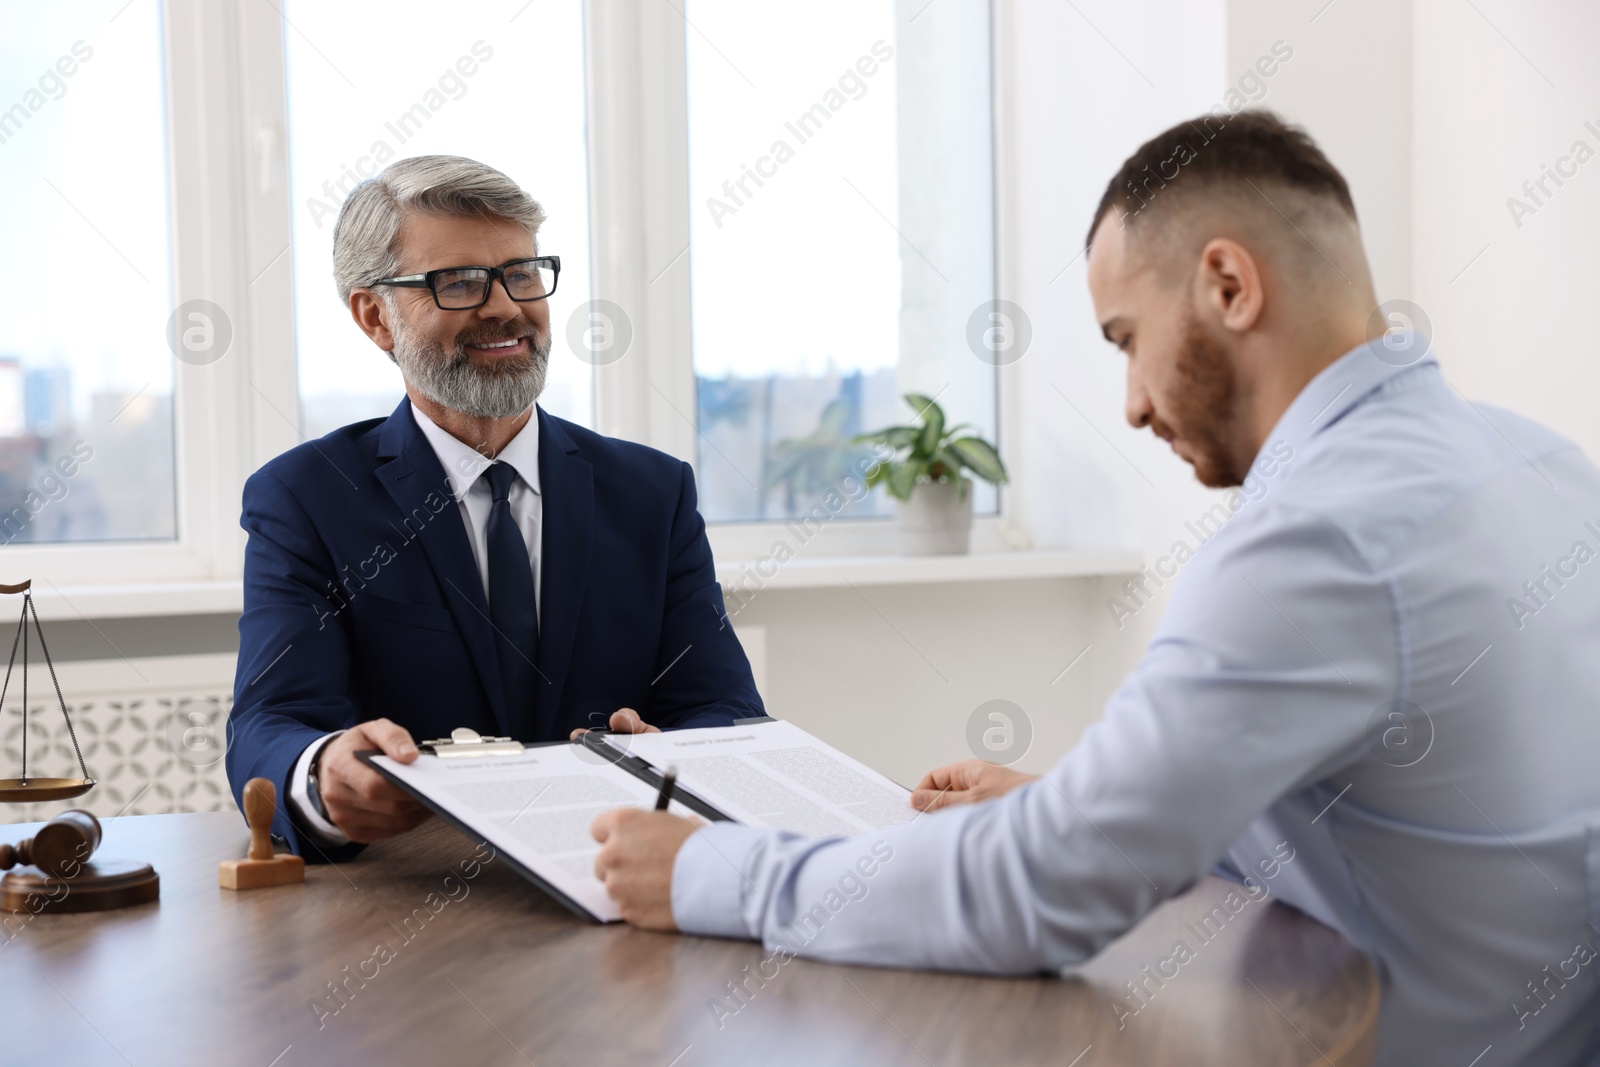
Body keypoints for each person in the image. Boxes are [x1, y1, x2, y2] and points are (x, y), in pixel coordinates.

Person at [588, 111, 1600, 1063]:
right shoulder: (1541, 464)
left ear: (1228, 286)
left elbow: (1037, 892)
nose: (1127, 404)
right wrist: (1093, 804)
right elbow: (1409, 815)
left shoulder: (1317, 538)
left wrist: (706, 871)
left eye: (1124, 338)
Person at [227, 155, 762, 861]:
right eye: (457, 282)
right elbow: (273, 722)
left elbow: (724, 709)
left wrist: (683, 757)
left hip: (620, 876)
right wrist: (325, 771)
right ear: (374, 316)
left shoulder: (653, 494)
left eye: (522, 272)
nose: (506, 306)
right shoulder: (305, 498)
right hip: (412, 901)